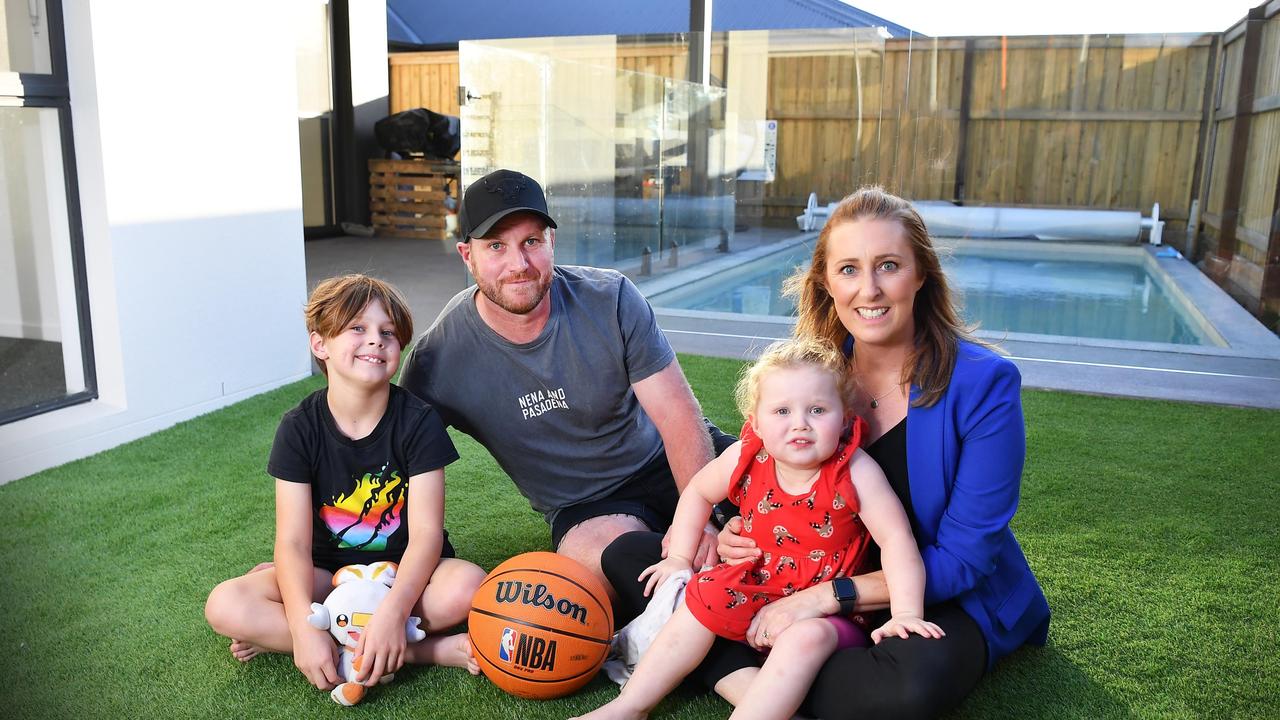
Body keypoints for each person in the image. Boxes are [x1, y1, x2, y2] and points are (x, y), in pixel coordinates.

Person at [602, 186, 1050, 719]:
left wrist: (821, 598)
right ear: (826, 282)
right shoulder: (813, 374)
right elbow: (756, 467)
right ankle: (764, 683)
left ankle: (740, 670)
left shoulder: (983, 385)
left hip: (926, 591)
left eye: (889, 265)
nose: (870, 290)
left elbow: (964, 560)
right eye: (849, 270)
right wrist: (734, 534)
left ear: (921, 274)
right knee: (630, 557)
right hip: (792, 565)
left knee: (907, 690)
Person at [398, 169, 733, 596]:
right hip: (592, 507)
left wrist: (702, 517)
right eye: (496, 246)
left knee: (796, 489)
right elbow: (394, 452)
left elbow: (679, 417)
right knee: (592, 577)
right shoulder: (438, 358)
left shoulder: (609, 297)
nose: (518, 265)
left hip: (669, 457)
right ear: (468, 256)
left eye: (531, 242)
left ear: (551, 242)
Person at [575, 338, 942, 720]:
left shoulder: (854, 471)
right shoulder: (747, 456)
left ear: (846, 417)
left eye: (818, 410)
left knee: (805, 638)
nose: (800, 423)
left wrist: (905, 613)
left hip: (827, 615)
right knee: (700, 598)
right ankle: (630, 707)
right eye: (782, 411)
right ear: (756, 420)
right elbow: (699, 490)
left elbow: (896, 540)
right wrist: (681, 557)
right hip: (752, 587)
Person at [204, 274, 486, 693]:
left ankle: (344, 637)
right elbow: (294, 543)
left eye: (387, 332)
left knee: (471, 588)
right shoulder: (298, 429)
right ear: (321, 345)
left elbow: (426, 535)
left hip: (400, 573)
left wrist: (393, 611)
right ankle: (422, 651)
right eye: (358, 328)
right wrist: (302, 628)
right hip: (327, 575)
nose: (376, 340)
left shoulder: (419, 421)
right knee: (225, 604)